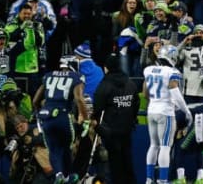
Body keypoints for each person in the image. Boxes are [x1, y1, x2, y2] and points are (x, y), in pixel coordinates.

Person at [32, 55, 89, 184]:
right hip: (63, 116)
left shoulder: (48, 75)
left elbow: (35, 100)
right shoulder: (76, 77)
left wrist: (37, 113)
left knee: (54, 149)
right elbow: (79, 99)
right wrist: (85, 120)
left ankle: (59, 174)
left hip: (46, 116)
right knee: (66, 146)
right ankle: (68, 175)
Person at [144, 45, 192, 184]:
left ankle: (149, 178)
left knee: (153, 145)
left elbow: (146, 92)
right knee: (165, 146)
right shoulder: (172, 72)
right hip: (165, 112)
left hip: (151, 109)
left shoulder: (148, 69)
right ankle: (162, 180)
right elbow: (175, 93)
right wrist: (186, 111)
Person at [93, 53, 140, 184]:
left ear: (107, 67)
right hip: (127, 130)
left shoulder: (105, 85)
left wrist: (97, 127)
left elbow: (97, 108)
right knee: (127, 162)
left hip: (111, 132)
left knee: (115, 165)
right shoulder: (130, 83)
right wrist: (132, 119)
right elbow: (136, 103)